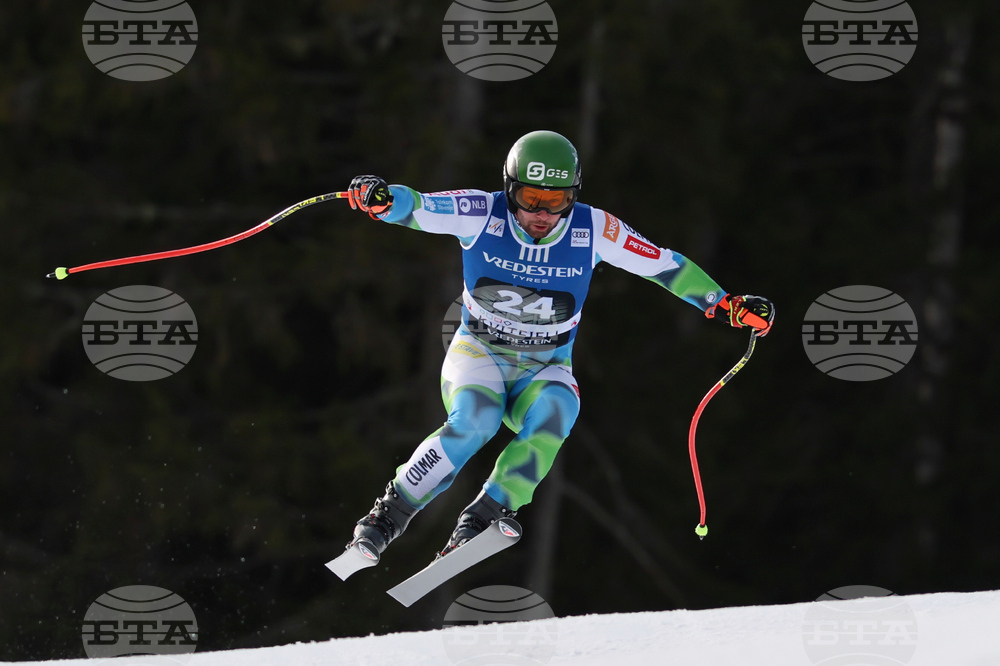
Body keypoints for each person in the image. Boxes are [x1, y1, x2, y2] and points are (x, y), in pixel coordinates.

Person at [342, 130, 774, 560]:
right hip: (479, 354)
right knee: (477, 418)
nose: (542, 213)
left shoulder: (595, 228)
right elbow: (419, 206)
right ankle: (384, 520)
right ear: (510, 189)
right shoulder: (480, 212)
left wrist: (726, 303)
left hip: (544, 365)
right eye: (531, 198)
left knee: (559, 410)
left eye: (556, 200)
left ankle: (484, 516)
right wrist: (382, 199)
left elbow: (663, 264)